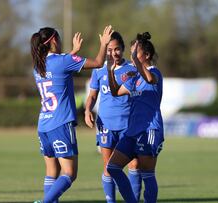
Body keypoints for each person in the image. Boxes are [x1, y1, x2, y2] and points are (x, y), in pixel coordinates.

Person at [30, 25, 113, 203]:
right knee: (69, 173)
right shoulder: (64, 60)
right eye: (58, 39)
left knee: (51, 171)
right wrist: (104, 44)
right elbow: (98, 63)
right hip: (61, 124)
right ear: (53, 40)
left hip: (44, 125)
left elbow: (60, 64)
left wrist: (73, 52)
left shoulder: (38, 66)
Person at [106, 32, 164, 203]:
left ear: (146, 55)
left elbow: (149, 79)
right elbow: (116, 91)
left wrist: (136, 64)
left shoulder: (155, 73)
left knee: (147, 174)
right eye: (131, 52)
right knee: (113, 167)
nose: (131, 57)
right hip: (132, 131)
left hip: (149, 130)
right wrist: (110, 69)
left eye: (134, 52)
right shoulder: (134, 76)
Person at [84, 31, 142, 203]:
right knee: (108, 167)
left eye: (117, 49)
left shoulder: (131, 70)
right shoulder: (98, 70)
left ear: (123, 49)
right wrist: (87, 110)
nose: (113, 53)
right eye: (109, 50)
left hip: (127, 125)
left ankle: (133, 200)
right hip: (106, 125)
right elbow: (93, 95)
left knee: (134, 165)